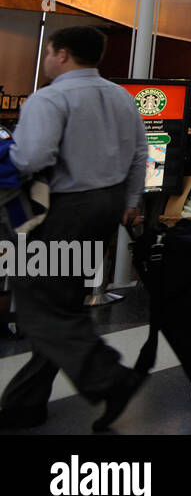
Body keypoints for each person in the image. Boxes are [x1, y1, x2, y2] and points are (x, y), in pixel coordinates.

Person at [0, 26, 147, 431]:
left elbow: (30, 158)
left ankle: (111, 379)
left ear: (61, 54)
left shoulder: (49, 98)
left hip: (61, 210)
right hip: (107, 205)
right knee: (61, 303)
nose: (47, 59)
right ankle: (24, 403)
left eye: (48, 51)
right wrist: (131, 202)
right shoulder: (121, 97)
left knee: (37, 307)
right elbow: (140, 153)